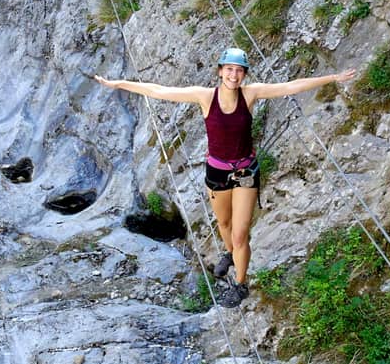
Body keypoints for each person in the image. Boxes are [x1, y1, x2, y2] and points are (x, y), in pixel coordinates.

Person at [94, 48, 357, 307]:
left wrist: (332, 78)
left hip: (245, 172)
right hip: (217, 172)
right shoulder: (205, 97)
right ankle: (230, 253)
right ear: (220, 72)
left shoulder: (251, 94)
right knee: (224, 223)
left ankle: (240, 285)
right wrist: (118, 83)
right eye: (229, 69)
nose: (234, 75)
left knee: (241, 233)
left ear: (244, 74)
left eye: (239, 70)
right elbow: (159, 91)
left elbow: (291, 86)